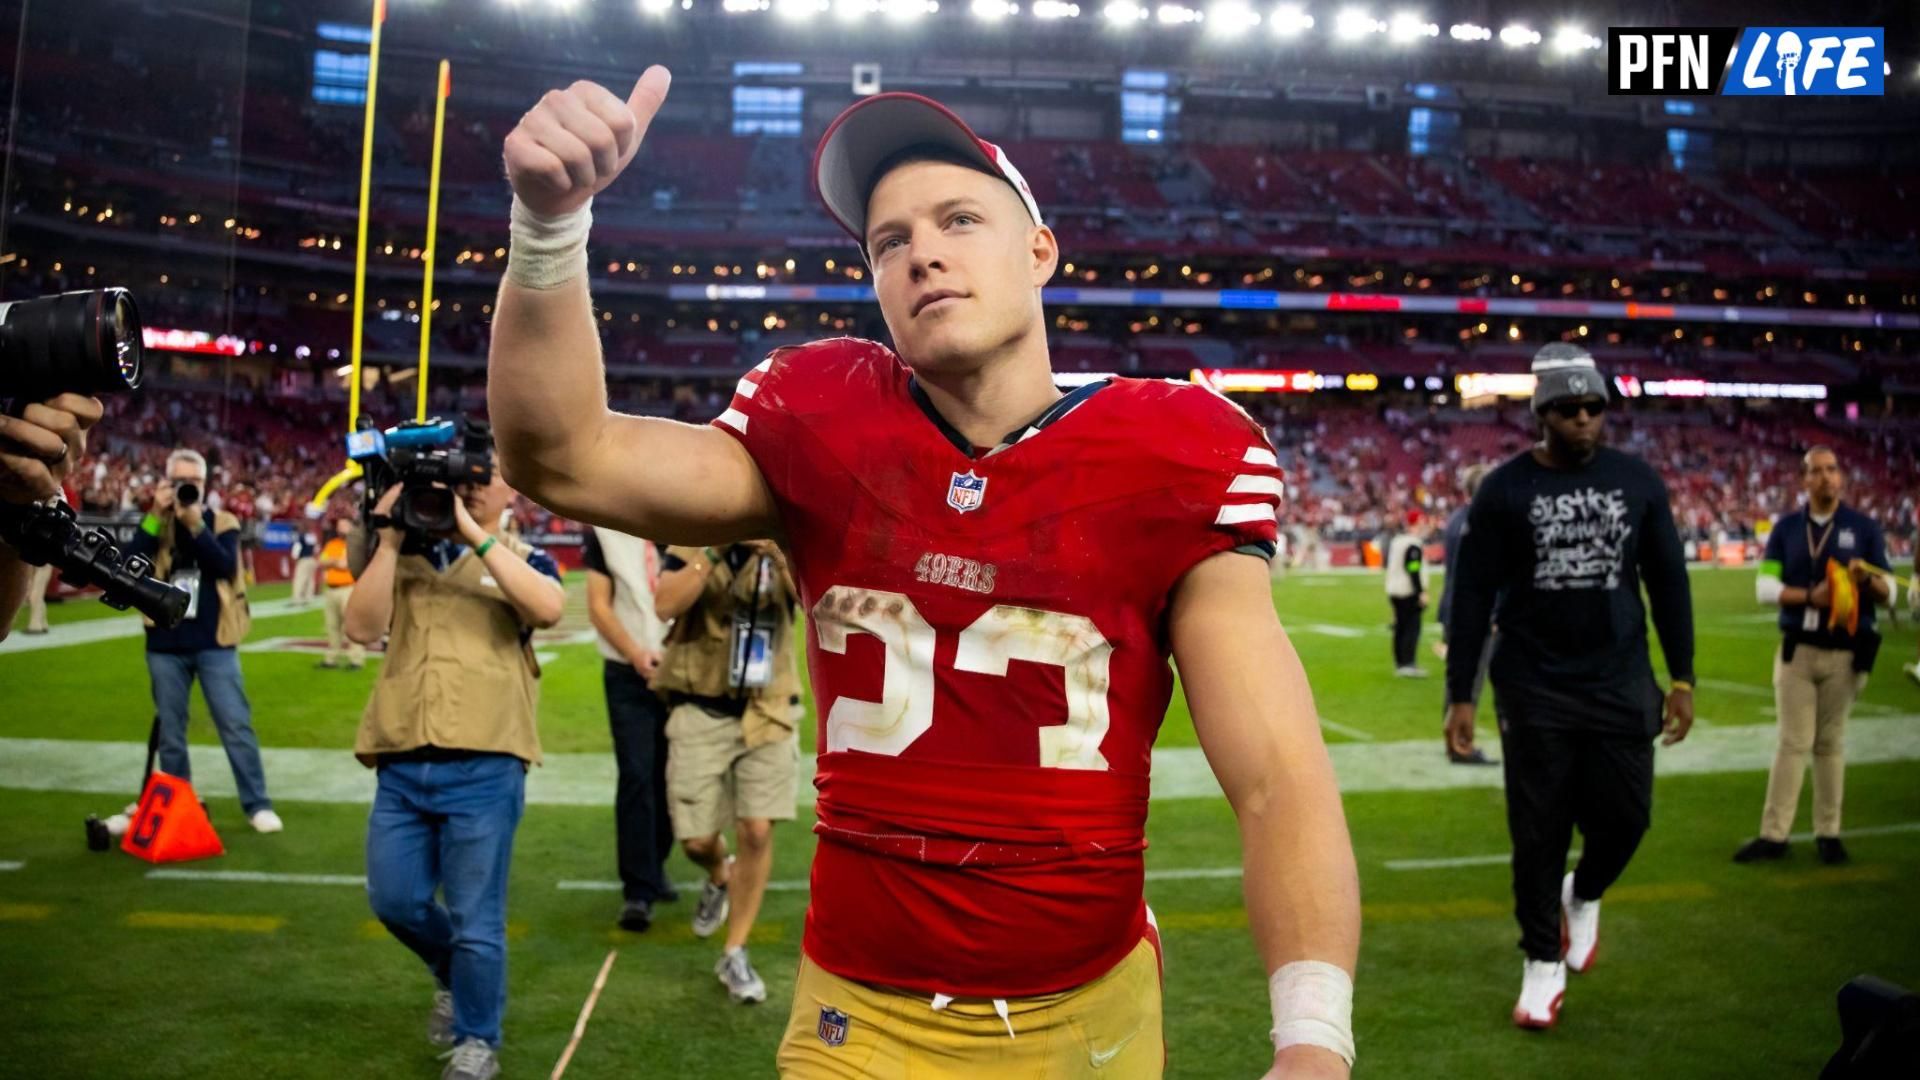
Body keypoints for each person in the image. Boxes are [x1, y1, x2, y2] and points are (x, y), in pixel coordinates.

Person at [490, 71, 1360, 1077]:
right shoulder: (822, 419)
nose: (922, 254)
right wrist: (550, 227)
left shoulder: (1174, 450)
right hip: (857, 1012)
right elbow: (561, 459)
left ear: (1040, 251)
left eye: (958, 219)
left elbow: (1277, 777)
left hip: (1083, 1014)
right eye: (888, 241)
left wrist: (1313, 1036)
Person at [1444, 344, 1694, 1031]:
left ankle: (1582, 893)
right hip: (1534, 685)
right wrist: (1460, 693)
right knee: (1538, 828)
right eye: (1569, 410)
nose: (1585, 420)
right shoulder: (1503, 489)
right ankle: (1540, 962)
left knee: (1627, 817)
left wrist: (1682, 676)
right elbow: (1469, 598)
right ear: (1543, 415)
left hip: (1620, 680)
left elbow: (1668, 582)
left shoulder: (1638, 481)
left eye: (1594, 408)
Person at [344, 471, 565, 1080]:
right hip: (402, 754)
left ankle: (477, 1040)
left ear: (511, 492)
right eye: (459, 480)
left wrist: (472, 533)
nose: (468, 488)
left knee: (477, 918)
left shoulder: (527, 556)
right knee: (394, 900)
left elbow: (548, 607)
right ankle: (451, 974)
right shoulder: (405, 554)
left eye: (483, 478)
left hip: (486, 761)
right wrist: (387, 542)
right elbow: (359, 629)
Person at [650, 539, 802, 1003]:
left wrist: (778, 552)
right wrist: (714, 550)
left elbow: (817, 602)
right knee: (695, 839)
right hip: (700, 705)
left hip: (769, 705)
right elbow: (665, 604)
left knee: (756, 829)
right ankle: (719, 871)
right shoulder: (692, 535)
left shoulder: (784, 540)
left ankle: (735, 950)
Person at [1735, 447, 1889, 866]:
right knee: (1792, 742)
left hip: (1845, 651)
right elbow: (1765, 590)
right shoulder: (1786, 528)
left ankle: (1828, 833)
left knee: (1830, 744)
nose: (1825, 478)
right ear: (1804, 480)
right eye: (1816, 471)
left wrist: (1869, 580)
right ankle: (1774, 835)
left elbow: (1890, 592)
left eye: (1832, 470)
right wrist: (1812, 597)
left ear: (1841, 477)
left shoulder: (1864, 528)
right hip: (1797, 651)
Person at [124, 448, 281, 835]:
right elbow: (128, 565)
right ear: (166, 483)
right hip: (164, 641)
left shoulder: (222, 521)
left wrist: (195, 525)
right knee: (172, 735)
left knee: (235, 724)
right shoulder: (154, 524)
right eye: (179, 482)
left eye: (193, 482)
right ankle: (180, 804)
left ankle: (257, 804)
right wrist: (153, 517)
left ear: (205, 485)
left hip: (214, 640)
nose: (186, 489)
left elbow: (225, 566)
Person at [581, 524, 677, 930]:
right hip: (626, 670)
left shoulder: (692, 525)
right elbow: (599, 606)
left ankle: (655, 863)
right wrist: (636, 654)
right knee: (637, 774)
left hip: (683, 673)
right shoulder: (604, 531)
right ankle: (638, 889)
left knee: (673, 776)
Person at [0, 393, 102, 642]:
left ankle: (38, 622)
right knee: (36, 588)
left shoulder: (60, 488)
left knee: (36, 589)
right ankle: (40, 621)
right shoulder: (64, 489)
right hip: (44, 535)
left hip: (43, 537)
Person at [1437, 463, 1497, 765]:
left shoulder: (1457, 519)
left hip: (1454, 608)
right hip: (1472, 613)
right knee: (1468, 682)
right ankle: (1462, 745)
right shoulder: (1477, 521)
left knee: (1458, 678)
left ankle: (1454, 740)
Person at [1385, 508, 1430, 678]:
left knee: (1400, 628)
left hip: (1394, 590)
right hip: (1407, 591)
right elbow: (1413, 569)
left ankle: (1400, 662)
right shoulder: (1413, 544)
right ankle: (1408, 662)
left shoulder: (1398, 541)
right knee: (1411, 627)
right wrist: (1420, 592)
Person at [318, 517, 365, 670]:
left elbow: (346, 564)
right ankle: (331, 658)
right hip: (331, 588)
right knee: (331, 625)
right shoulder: (332, 544)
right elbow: (322, 562)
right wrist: (335, 562)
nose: (341, 528)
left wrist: (332, 562)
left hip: (348, 588)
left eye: (344, 525)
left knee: (351, 625)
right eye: (339, 525)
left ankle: (356, 659)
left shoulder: (355, 545)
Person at [290, 525, 320, 605]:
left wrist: (295, 558)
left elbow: (297, 548)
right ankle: (309, 597)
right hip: (312, 559)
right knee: (310, 580)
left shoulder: (300, 538)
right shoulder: (312, 537)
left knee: (300, 579)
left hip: (304, 559)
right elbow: (316, 549)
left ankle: (297, 598)